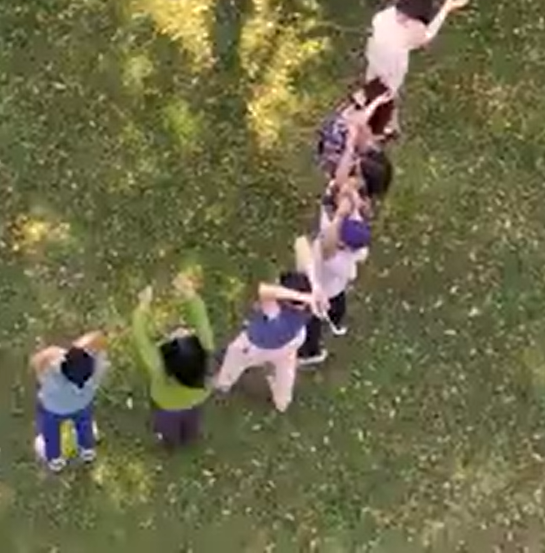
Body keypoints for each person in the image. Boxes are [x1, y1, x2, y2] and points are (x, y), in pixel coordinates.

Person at [210, 264, 322, 412]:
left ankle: (223, 383)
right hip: (293, 341)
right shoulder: (314, 306)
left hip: (257, 347)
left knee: (234, 355)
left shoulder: (275, 311)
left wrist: (300, 296)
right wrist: (310, 295)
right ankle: (282, 402)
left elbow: (264, 290)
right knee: (285, 370)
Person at [132, 273, 215, 449]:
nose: (180, 330)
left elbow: (140, 337)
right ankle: (191, 434)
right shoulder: (206, 349)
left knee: (167, 425)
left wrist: (143, 306)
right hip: (197, 400)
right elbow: (202, 320)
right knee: (193, 418)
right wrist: (190, 294)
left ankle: (171, 441)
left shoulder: (158, 365)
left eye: (176, 337)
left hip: (166, 405)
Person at [296, 190, 373, 366]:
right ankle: (337, 324)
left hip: (321, 290)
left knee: (312, 318)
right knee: (338, 303)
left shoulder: (335, 259)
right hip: (335, 289)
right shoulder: (358, 252)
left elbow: (311, 247)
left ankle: (310, 351)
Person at [29, 329, 108, 471]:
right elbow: (99, 338)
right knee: (85, 425)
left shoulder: (52, 374)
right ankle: (87, 450)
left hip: (52, 409)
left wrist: (56, 351)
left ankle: (55, 459)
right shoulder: (96, 371)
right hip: (82, 405)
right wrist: (79, 349)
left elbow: (36, 362)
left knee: (50, 431)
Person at [365, 0, 470, 93]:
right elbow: (428, 35)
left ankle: (369, 91)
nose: (400, 18)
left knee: (372, 77)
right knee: (388, 89)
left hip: (375, 53)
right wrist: (446, 9)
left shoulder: (383, 16)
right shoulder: (414, 29)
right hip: (393, 64)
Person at [315, 78, 397, 187]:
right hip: (334, 150)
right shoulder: (349, 124)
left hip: (337, 155)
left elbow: (357, 124)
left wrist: (376, 103)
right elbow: (357, 123)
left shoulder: (354, 130)